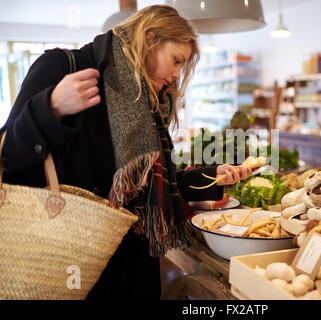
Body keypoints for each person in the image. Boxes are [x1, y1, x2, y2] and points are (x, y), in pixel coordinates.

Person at [0, 5, 252, 300]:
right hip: (69, 256)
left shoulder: (150, 103)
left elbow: (148, 190)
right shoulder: (64, 66)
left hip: (133, 266)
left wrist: (211, 178)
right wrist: (52, 108)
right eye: (176, 60)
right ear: (149, 39)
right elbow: (8, 157)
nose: (176, 74)